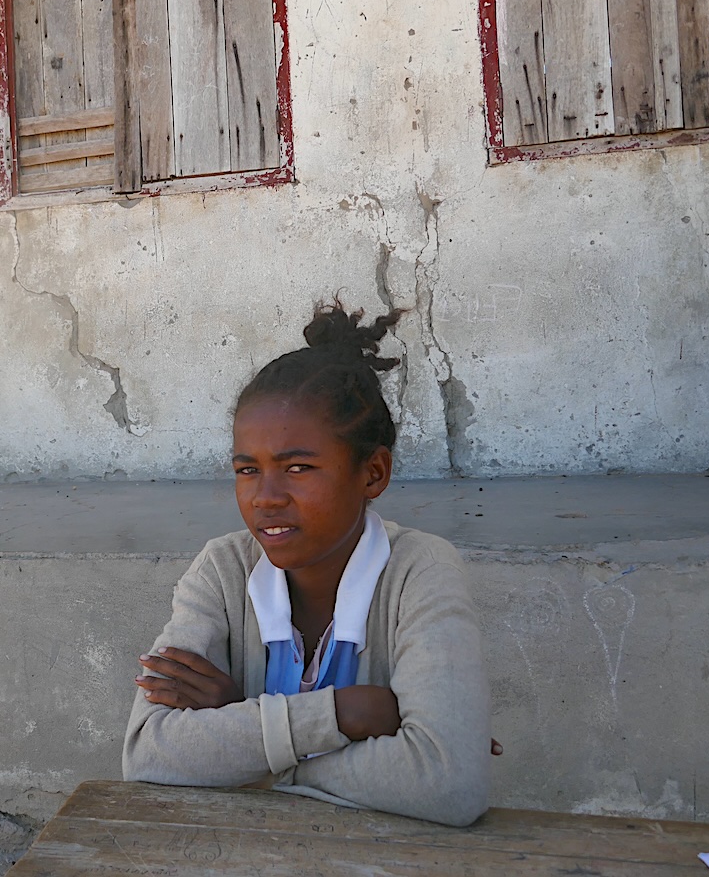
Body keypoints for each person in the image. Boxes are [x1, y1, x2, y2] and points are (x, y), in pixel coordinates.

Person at [122, 302, 492, 825]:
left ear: (373, 473)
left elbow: (447, 781)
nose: (266, 497)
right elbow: (147, 754)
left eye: (299, 467)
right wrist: (347, 715)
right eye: (247, 470)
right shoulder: (222, 569)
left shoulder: (420, 571)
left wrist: (249, 735)